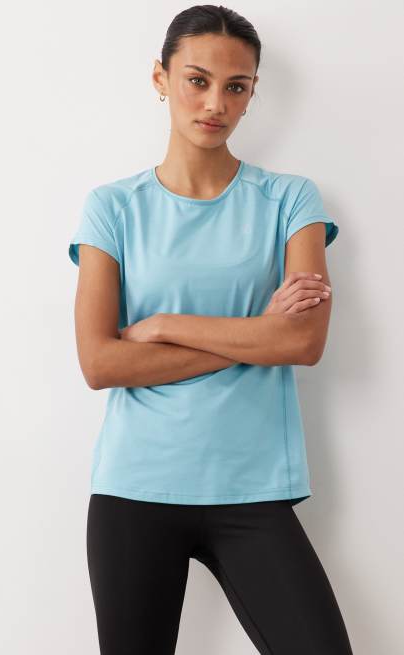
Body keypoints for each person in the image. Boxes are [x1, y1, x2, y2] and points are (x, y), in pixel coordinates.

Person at [68, 5, 353, 654]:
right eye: (196, 80)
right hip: (135, 489)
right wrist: (258, 334)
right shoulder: (112, 207)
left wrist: (164, 326)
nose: (214, 103)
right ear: (160, 78)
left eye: (235, 86)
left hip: (253, 489)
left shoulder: (290, 200)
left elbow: (302, 342)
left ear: (252, 94)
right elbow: (100, 362)